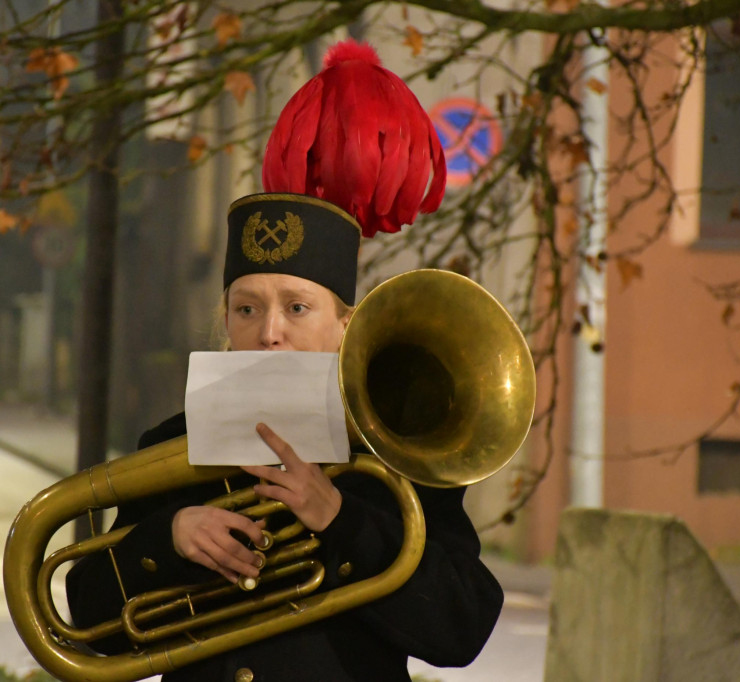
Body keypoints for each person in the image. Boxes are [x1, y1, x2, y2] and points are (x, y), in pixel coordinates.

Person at [65, 41, 503, 682]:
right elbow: (86, 619)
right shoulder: (172, 445)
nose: (269, 332)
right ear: (225, 321)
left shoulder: (395, 454)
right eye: (247, 309)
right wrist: (170, 537)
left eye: (297, 308)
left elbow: (461, 628)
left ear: (344, 326)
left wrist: (341, 519)